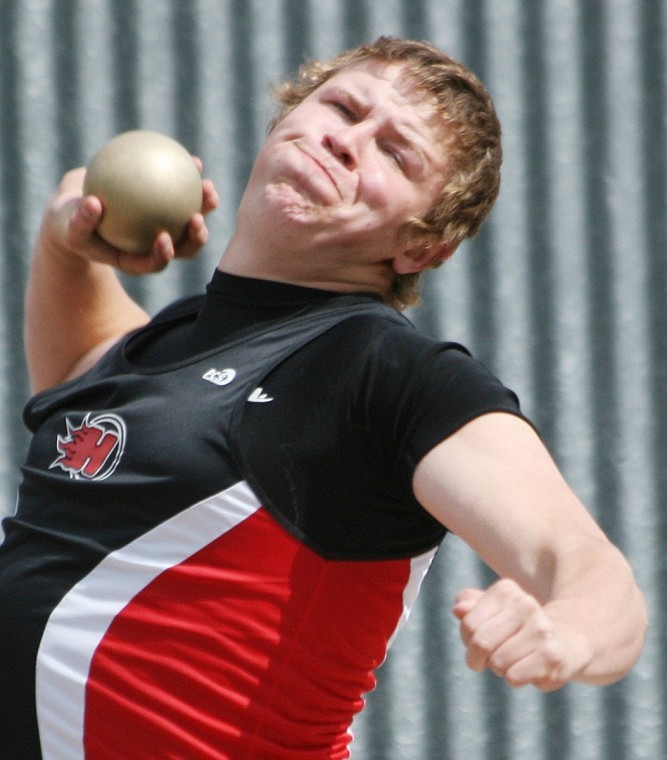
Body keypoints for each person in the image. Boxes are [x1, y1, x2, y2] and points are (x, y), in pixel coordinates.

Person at [0, 36, 646, 759]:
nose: (347, 141)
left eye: (395, 154)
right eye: (341, 106)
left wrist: (566, 632)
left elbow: (589, 567)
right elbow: (85, 384)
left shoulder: (384, 374)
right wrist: (67, 245)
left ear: (419, 248)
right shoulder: (173, 342)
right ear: (284, 120)